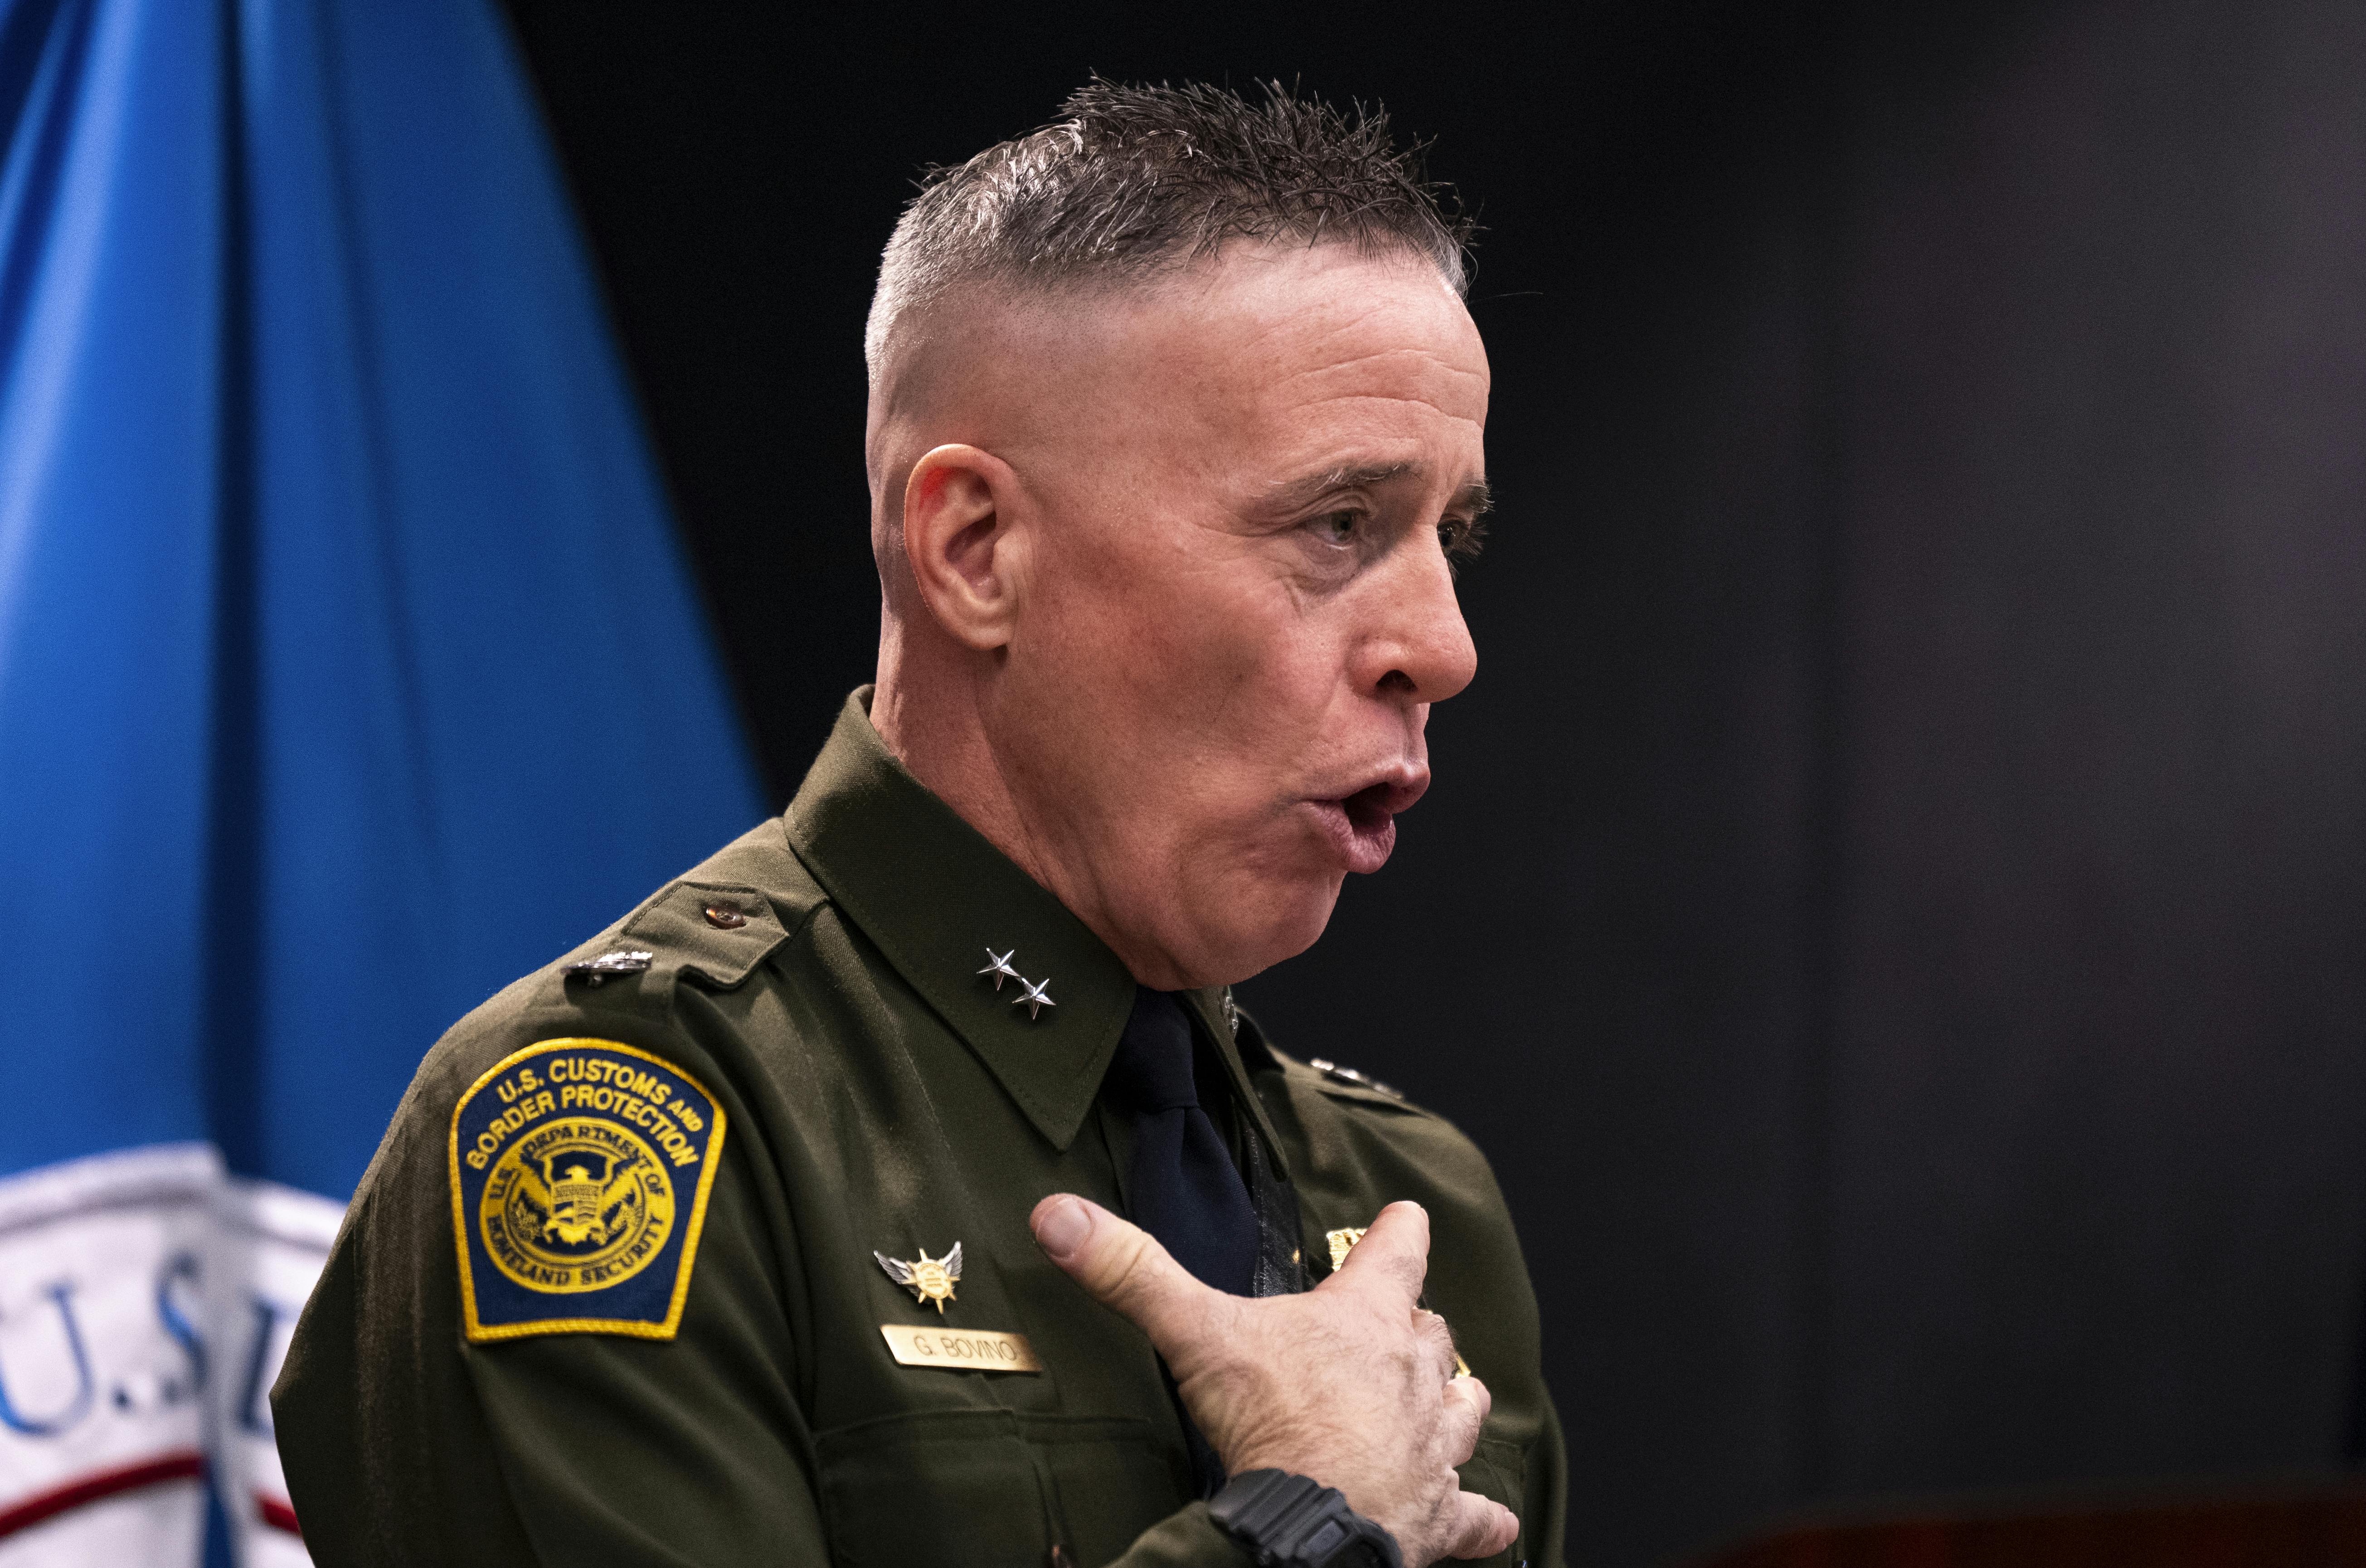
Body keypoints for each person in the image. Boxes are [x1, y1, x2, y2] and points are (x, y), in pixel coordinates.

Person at [274, 78, 1565, 1568]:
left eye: (1444, 535)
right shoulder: (624, 1134)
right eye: (1337, 524)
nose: (1445, 643)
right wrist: (1299, 1527)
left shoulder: (1412, 1206)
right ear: (975, 549)